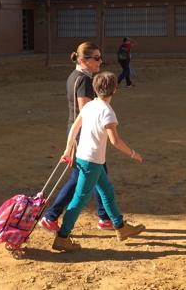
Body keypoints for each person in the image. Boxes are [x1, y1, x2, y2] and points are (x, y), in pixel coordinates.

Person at [52, 71, 145, 252]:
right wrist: (133, 153)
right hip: (92, 162)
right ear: (115, 90)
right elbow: (115, 141)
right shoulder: (108, 112)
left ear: (95, 89)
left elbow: (74, 128)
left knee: (107, 191)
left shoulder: (89, 106)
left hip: (86, 158)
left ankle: (120, 227)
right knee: (79, 200)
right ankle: (62, 237)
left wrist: (67, 148)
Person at [40, 42, 115, 233]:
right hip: (82, 134)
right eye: (96, 58)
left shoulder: (75, 76)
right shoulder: (83, 80)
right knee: (80, 178)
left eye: (100, 57)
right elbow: (85, 111)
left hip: (77, 131)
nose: (100, 61)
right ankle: (51, 216)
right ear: (83, 60)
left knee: (98, 175)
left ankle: (105, 218)